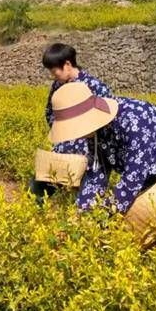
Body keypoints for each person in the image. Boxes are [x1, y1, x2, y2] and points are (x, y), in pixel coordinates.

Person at [49, 81, 156, 242]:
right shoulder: (94, 132)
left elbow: (133, 180)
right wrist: (82, 213)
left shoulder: (135, 119)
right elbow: (96, 175)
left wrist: (101, 216)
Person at [33, 43, 114, 198]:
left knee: (84, 196)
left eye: (54, 71)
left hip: (89, 152)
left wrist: (88, 137)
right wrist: (61, 132)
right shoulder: (57, 85)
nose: (52, 75)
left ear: (67, 65)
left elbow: (108, 116)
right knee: (41, 187)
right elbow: (50, 111)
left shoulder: (94, 86)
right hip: (63, 148)